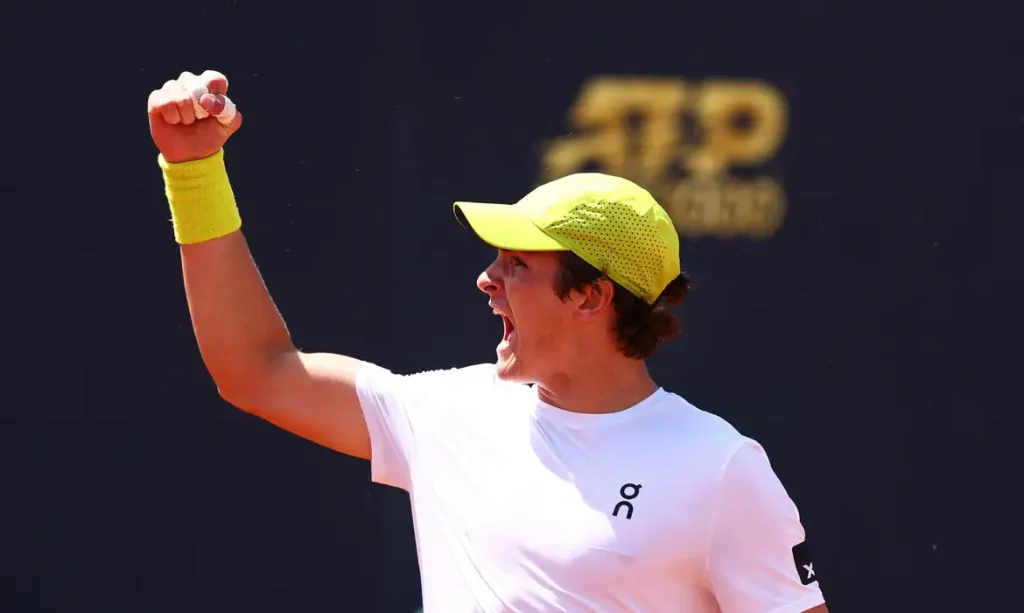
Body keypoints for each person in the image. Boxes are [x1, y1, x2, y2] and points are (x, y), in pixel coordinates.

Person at [148, 69, 829, 613]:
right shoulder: (449, 413)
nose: (485, 279)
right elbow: (257, 370)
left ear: (592, 296)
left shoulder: (719, 467)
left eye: (517, 266)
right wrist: (193, 171)